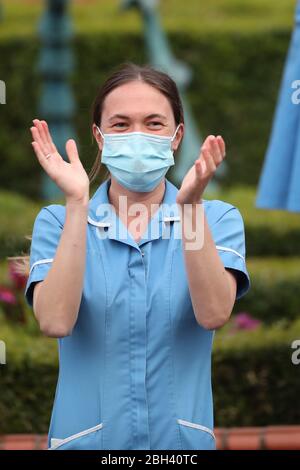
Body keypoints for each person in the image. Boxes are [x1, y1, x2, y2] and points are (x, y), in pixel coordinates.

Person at [24, 62, 250, 450]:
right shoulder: (59, 222)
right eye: (121, 124)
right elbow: (55, 320)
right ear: (99, 135)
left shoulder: (215, 218)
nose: (138, 136)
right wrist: (77, 203)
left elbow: (213, 313)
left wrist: (190, 207)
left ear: (177, 136)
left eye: (154, 123)